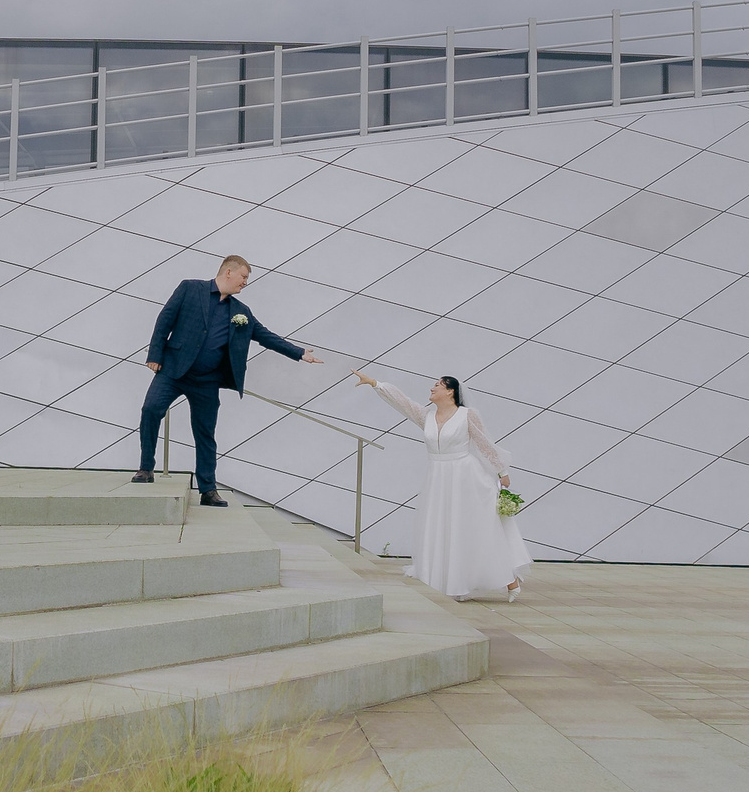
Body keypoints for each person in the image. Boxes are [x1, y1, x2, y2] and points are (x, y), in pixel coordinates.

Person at [135, 254, 322, 507]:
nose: (245, 283)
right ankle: (146, 468)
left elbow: (266, 336)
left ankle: (208, 489)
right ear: (229, 272)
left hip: (208, 381)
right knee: (150, 409)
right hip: (173, 370)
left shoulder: (241, 312)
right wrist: (154, 355)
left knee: (205, 433)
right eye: (244, 277)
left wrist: (299, 353)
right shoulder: (190, 288)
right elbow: (164, 321)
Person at [352, 370, 529, 601]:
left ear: (450, 391)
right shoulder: (426, 416)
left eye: (437, 385)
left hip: (465, 477)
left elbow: (484, 443)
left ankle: (510, 580)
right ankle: (451, 581)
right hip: (438, 477)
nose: (432, 388)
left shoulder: (467, 415)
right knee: (444, 528)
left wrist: (502, 471)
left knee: (474, 528)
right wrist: (376, 383)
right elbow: (403, 402)